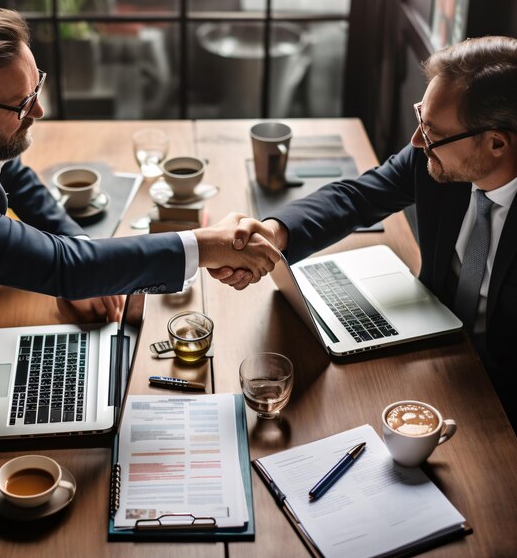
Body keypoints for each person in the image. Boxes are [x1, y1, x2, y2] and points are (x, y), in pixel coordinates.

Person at [0, 5, 280, 485]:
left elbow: (9, 170)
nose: (38, 111)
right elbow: (60, 267)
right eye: (21, 104)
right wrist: (205, 245)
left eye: (37, 87)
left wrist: (79, 247)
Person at [213, 36, 517, 429]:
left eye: (432, 133)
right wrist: (274, 233)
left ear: (496, 143)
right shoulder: (440, 153)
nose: (416, 142)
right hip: (429, 345)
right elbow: (356, 197)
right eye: (420, 118)